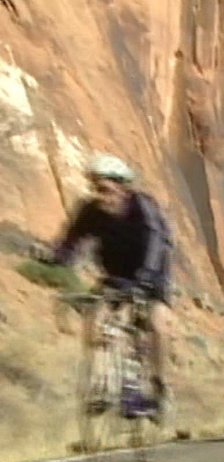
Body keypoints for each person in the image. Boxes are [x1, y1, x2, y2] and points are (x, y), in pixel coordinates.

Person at [41, 153, 174, 421]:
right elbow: (71, 242)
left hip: (152, 272)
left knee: (158, 324)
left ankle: (159, 388)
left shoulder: (142, 206)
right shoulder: (90, 211)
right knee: (97, 318)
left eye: (104, 188)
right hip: (115, 274)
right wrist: (57, 258)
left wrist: (146, 279)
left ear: (123, 187)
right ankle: (102, 386)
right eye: (95, 188)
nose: (99, 195)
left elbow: (156, 240)